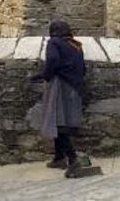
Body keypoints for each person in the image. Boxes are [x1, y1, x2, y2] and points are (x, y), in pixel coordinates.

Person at [30, 20, 86, 176]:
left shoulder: (54, 43)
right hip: (74, 87)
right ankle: (59, 157)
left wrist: (44, 75)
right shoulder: (76, 45)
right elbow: (82, 68)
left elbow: (53, 60)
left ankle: (72, 159)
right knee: (61, 120)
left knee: (58, 122)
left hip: (60, 85)